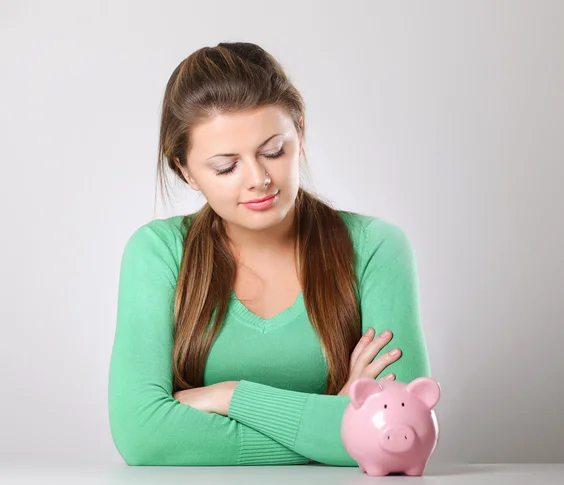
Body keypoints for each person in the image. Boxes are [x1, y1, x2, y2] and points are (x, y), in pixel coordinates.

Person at [108, 41, 431, 467]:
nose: (259, 178)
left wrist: (228, 395)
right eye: (227, 166)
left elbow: (403, 438)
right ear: (185, 170)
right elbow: (142, 436)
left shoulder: (375, 247)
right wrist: (336, 426)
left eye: (273, 151)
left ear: (300, 132)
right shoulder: (157, 252)